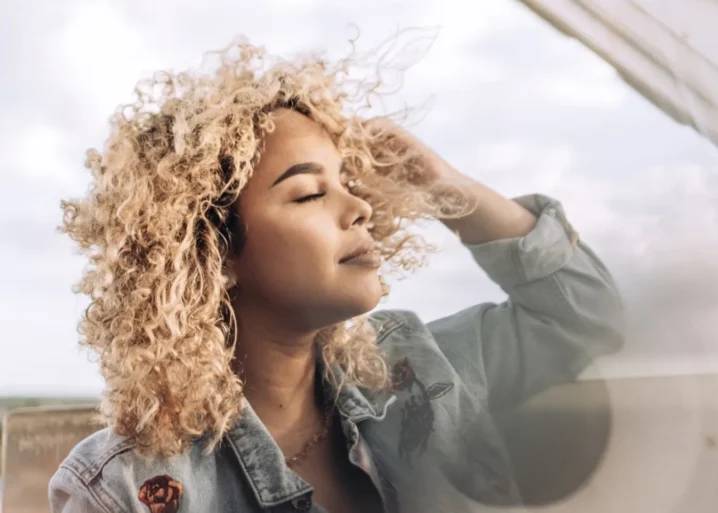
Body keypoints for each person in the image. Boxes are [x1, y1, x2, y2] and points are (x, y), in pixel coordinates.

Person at [49, 38, 624, 513]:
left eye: (350, 182)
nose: (360, 207)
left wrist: (444, 185)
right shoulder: (125, 489)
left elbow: (587, 315)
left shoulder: (419, 365)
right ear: (213, 253)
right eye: (308, 193)